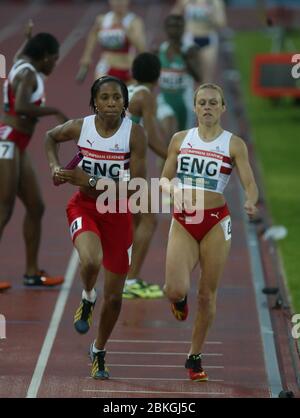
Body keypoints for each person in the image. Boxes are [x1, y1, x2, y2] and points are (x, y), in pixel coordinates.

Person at [45, 76, 147, 379]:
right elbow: (50, 137)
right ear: (95, 102)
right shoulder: (81, 127)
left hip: (117, 212)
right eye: (105, 98)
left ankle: (99, 350)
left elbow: (138, 188)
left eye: (117, 97)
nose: (112, 103)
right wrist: (54, 166)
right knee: (90, 260)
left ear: (125, 102)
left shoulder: (134, 134)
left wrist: (89, 180)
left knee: (114, 297)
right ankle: (88, 295)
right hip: (84, 207)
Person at [160, 83, 258, 381]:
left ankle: (194, 356)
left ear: (223, 108)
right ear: (194, 107)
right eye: (202, 102)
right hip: (184, 219)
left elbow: (250, 184)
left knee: (206, 294)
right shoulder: (180, 139)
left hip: (216, 221)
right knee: (174, 289)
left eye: (213, 103)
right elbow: (164, 178)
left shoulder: (233, 144)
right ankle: (179, 301)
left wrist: (251, 202)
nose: (207, 107)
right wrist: (171, 190)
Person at [0, 28, 67, 291]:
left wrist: (28, 39)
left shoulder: (23, 63)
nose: (55, 64)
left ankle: (31, 273)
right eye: (55, 59)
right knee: (3, 209)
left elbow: (21, 53)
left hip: (18, 144)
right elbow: (23, 108)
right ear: (45, 57)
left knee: (36, 206)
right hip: (7, 143)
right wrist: (56, 111)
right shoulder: (28, 73)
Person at [123, 52, 167, 299]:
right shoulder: (146, 96)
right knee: (149, 219)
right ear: (158, 76)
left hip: (114, 163)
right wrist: (177, 156)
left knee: (134, 221)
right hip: (129, 167)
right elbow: (150, 136)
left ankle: (124, 276)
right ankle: (130, 280)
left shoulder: (128, 89)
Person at [76, 0, 146, 84]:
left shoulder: (134, 22)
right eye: (115, 0)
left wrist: (127, 32)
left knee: (128, 96)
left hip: (128, 69)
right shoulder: (102, 19)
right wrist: (87, 55)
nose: (118, 3)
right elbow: (93, 35)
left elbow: (142, 48)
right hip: (106, 67)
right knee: (100, 95)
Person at [157, 14, 201, 141]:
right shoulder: (160, 50)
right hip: (165, 100)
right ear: (165, 28)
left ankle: (171, 160)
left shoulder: (190, 50)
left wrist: (187, 60)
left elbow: (199, 76)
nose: (174, 29)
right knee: (168, 136)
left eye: (178, 26)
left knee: (182, 142)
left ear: (183, 28)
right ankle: (165, 160)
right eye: (171, 26)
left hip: (184, 103)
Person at [172, 0, 227, 83]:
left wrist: (212, 16)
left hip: (208, 39)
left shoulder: (215, 2)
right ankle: (190, 94)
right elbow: (174, 16)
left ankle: (203, 95)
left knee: (207, 78)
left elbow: (222, 23)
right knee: (188, 76)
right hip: (190, 39)